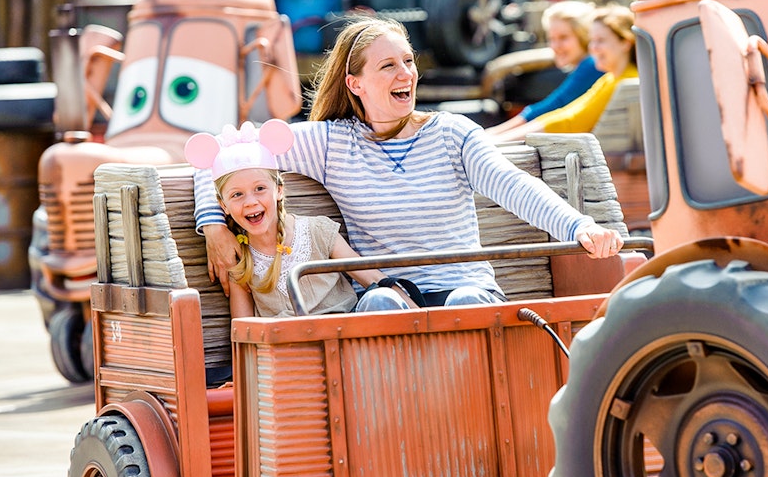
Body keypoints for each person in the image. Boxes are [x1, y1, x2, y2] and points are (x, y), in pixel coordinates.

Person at [193, 16, 623, 308]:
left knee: (465, 303)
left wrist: (578, 226)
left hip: (468, 291)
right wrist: (214, 223)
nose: (406, 74)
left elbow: (511, 184)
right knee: (381, 303)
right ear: (355, 83)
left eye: (409, 61)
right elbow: (220, 151)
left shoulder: (453, 132)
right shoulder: (331, 143)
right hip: (393, 296)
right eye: (389, 66)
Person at [185, 119, 413, 318]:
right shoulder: (241, 260)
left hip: (346, 340)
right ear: (223, 205)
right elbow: (242, 330)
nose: (250, 202)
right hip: (293, 354)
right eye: (237, 195)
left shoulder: (318, 232)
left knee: (380, 298)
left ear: (279, 190)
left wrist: (423, 316)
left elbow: (372, 277)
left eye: (260, 188)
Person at [490, 4, 637, 143]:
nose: (594, 48)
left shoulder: (608, 73)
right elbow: (565, 112)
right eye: (551, 38)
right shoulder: (609, 78)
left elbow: (569, 119)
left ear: (625, 42)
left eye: (601, 40)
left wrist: (496, 140)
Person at [485, 1, 601, 138]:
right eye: (551, 38)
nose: (555, 46)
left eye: (563, 38)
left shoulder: (592, 65)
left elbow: (555, 105)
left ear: (584, 36)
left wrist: (489, 136)